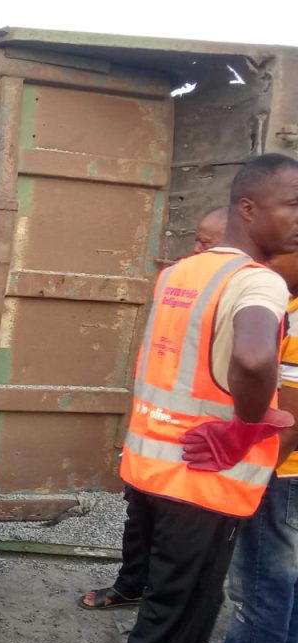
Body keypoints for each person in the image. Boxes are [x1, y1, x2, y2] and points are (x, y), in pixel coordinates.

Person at [77, 154, 298, 643]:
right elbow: (254, 361)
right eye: (294, 205)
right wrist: (245, 429)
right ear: (250, 209)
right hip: (203, 483)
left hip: (155, 468)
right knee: (171, 626)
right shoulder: (259, 281)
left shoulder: (182, 272)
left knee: (189, 616)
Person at [80, 207, 230, 612]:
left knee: (182, 547)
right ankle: (131, 587)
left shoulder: (240, 300)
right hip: (153, 438)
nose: (197, 252)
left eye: (208, 245)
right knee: (139, 520)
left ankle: (175, 625)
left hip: (196, 452)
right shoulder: (177, 286)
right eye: (197, 241)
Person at [189, 251, 298, 643]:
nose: (266, 258)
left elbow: (292, 412)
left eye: (277, 252)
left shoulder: (291, 313)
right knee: (287, 581)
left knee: (260, 581)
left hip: (283, 471)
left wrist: (255, 474)